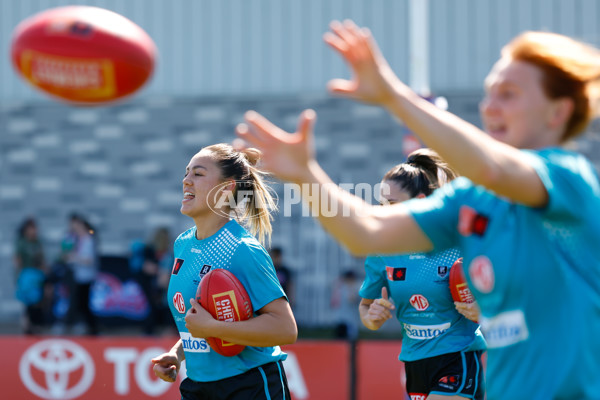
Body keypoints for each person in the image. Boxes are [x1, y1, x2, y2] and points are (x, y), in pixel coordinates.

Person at [235, 21, 600, 399]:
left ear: (558, 112)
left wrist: (393, 95)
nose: (489, 106)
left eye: (508, 94)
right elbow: (365, 233)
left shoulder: (569, 178)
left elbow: (491, 166)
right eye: (489, 92)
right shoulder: (471, 200)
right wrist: (305, 175)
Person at [151, 143, 297, 400]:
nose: (186, 180)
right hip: (198, 385)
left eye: (197, 174)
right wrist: (178, 352)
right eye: (186, 173)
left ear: (227, 187)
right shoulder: (183, 245)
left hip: (249, 385)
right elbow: (201, 321)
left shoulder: (243, 250)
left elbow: (285, 329)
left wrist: (213, 327)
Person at [359, 149, 485, 400]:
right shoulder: (382, 249)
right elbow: (365, 308)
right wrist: (372, 317)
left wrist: (483, 309)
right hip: (414, 363)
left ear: (419, 200)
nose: (384, 211)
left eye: (391, 203)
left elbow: (506, 296)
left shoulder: (459, 242)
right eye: (381, 204)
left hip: (457, 356)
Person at [63, 213, 100, 335]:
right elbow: (65, 250)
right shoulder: (73, 238)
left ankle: (91, 327)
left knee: (83, 303)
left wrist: (75, 258)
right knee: (77, 302)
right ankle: (85, 326)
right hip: (76, 275)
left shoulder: (89, 239)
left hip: (86, 276)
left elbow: (90, 260)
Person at [14, 217, 47, 335]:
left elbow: (42, 259)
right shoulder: (22, 242)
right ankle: (28, 327)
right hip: (26, 276)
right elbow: (18, 260)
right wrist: (19, 277)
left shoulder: (37, 242)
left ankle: (37, 326)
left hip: (37, 276)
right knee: (28, 302)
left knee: (38, 302)